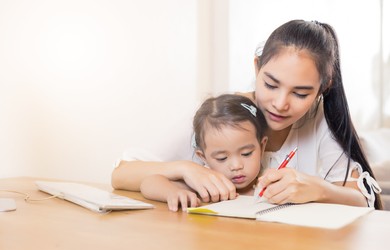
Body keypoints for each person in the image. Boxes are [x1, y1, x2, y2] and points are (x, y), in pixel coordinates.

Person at [112, 19, 382, 209]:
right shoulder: (220, 116)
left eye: (300, 94)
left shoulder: (319, 119)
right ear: (257, 68)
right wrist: (186, 168)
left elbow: (363, 198)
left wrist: (317, 189)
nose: (280, 103)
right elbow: (121, 174)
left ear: (323, 88)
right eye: (271, 84)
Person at [140, 94, 268, 211]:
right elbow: (148, 183)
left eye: (246, 153)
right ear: (203, 157)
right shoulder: (205, 183)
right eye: (222, 158)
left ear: (262, 147)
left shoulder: (268, 180)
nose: (236, 166)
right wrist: (172, 193)